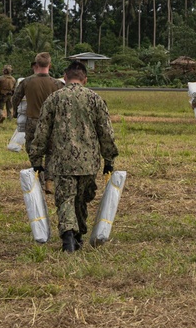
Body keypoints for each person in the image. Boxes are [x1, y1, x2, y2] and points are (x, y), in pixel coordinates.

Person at [28, 61, 118, 253]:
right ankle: (76, 236)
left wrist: (36, 160)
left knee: (66, 199)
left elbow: (41, 132)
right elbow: (106, 133)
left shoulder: (54, 99)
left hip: (62, 161)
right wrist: (109, 160)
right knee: (81, 200)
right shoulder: (95, 99)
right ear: (85, 79)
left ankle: (69, 237)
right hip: (88, 162)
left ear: (65, 77)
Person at [12, 52, 62, 192]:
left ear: (36, 64)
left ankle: (38, 177)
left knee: (34, 151)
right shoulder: (57, 84)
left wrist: (15, 113)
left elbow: (15, 98)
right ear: (49, 65)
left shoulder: (26, 82)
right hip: (51, 123)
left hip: (32, 121)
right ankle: (50, 180)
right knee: (51, 151)